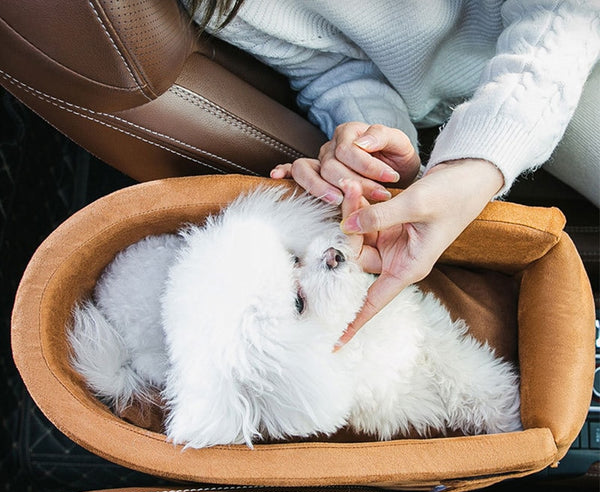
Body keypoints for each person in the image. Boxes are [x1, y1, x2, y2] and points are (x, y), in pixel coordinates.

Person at [188, 0, 600, 345]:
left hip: (554, 44)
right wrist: (376, 156)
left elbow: (568, 10)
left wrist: (476, 161)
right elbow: (332, 64)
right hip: (446, 96)